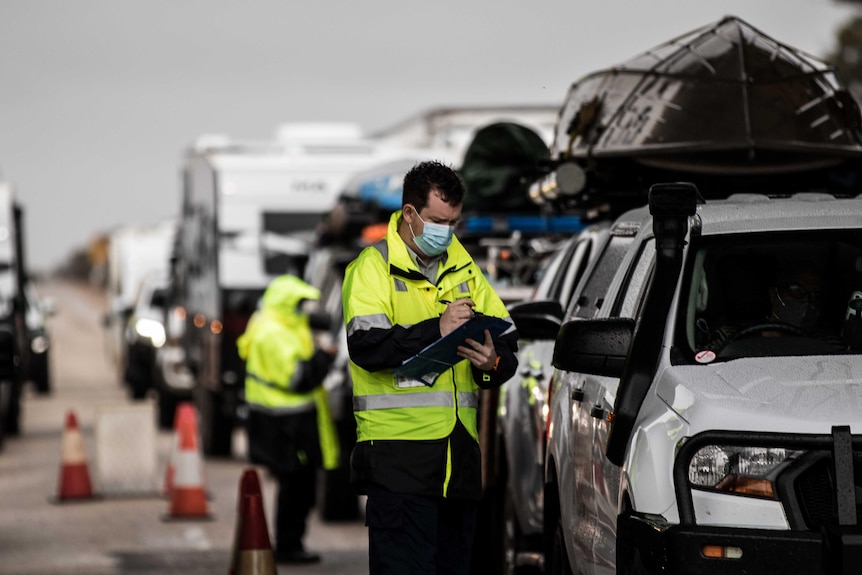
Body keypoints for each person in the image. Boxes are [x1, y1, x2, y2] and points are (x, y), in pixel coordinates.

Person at [341, 160, 519, 575]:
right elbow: (366, 347)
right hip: (398, 466)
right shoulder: (372, 268)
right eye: (439, 221)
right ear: (409, 214)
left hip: (458, 466)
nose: (448, 231)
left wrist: (492, 363)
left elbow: (507, 342)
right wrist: (436, 330)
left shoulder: (465, 266)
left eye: (454, 221)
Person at [236, 274, 339, 564]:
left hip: (286, 419)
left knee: (296, 485)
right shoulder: (274, 332)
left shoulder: (281, 324)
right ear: (286, 303)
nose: (306, 310)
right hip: (284, 422)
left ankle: (290, 542)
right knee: (295, 486)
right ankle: (288, 545)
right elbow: (298, 379)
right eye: (300, 304)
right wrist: (325, 357)